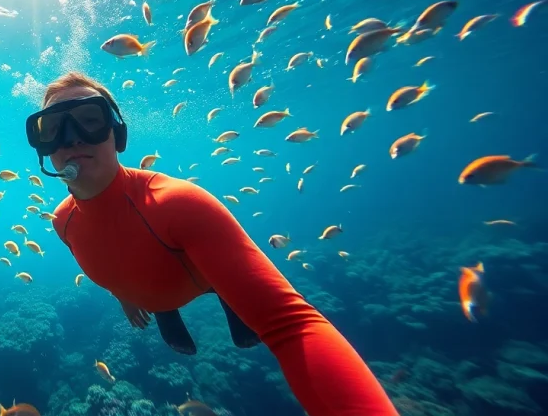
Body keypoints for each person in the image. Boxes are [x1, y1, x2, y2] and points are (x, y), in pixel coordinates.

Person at [25, 72, 398, 416]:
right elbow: (111, 259)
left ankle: (227, 296)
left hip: (200, 278)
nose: (71, 138)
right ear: (43, 147)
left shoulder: (177, 203)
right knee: (160, 297)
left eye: (90, 120)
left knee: (232, 293)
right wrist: (124, 295)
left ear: (117, 135)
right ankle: (167, 310)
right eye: (53, 128)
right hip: (157, 288)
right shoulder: (62, 221)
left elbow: (294, 326)